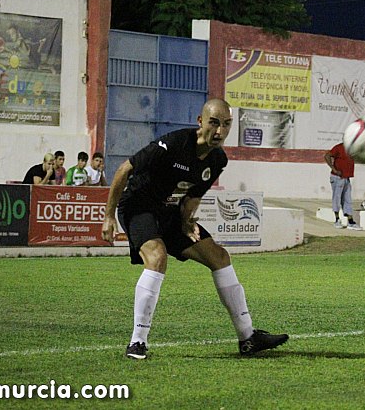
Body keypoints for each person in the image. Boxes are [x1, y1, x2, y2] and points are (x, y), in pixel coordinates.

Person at [101, 98, 289, 360]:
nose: (220, 131)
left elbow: (193, 195)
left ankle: (248, 338)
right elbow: (124, 170)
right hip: (138, 206)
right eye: (214, 123)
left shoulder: (218, 159)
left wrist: (188, 221)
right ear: (200, 122)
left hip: (171, 213)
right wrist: (108, 216)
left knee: (220, 257)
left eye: (226, 124)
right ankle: (137, 342)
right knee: (157, 257)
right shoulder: (173, 144)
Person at [324, 142, 362, 230]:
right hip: (337, 177)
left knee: (347, 199)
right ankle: (337, 219)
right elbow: (327, 156)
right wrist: (334, 169)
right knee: (337, 198)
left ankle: (350, 221)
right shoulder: (339, 147)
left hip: (346, 178)